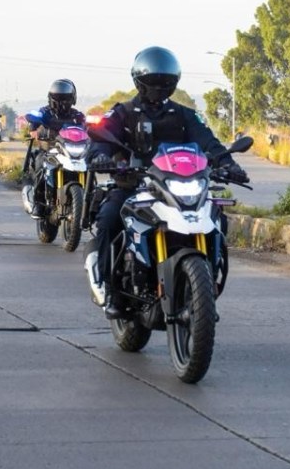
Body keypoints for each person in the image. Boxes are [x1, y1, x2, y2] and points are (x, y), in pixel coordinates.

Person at [84, 46, 248, 316]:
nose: (159, 89)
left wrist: (228, 163)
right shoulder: (123, 112)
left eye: (165, 83)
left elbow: (208, 140)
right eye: (154, 83)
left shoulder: (185, 114)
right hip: (134, 185)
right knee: (109, 218)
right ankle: (109, 290)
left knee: (218, 217)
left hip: (177, 185)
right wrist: (100, 157)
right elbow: (102, 135)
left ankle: (207, 287)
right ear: (140, 82)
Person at [22, 79, 84, 218]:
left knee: (91, 166)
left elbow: (87, 126)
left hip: (71, 151)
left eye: (65, 98)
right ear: (51, 98)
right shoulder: (45, 112)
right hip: (49, 151)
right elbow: (31, 115)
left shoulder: (77, 115)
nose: (61, 101)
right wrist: (36, 130)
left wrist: (96, 131)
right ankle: (38, 204)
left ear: (72, 98)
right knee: (39, 164)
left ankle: (90, 203)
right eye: (57, 98)